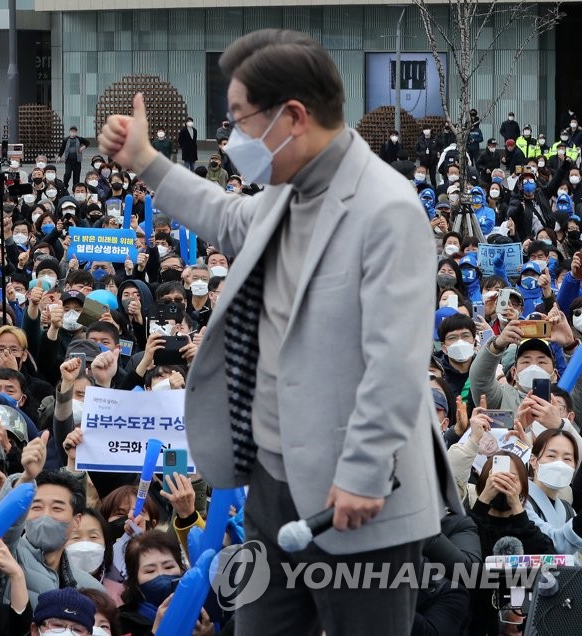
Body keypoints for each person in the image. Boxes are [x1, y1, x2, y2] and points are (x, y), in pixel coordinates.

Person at [98, 28, 459, 634]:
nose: (232, 136)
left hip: (357, 497)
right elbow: (225, 216)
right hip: (273, 480)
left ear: (293, 116)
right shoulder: (285, 192)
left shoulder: (386, 209)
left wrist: (362, 473)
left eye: (240, 119)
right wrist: (146, 162)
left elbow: (396, 362)